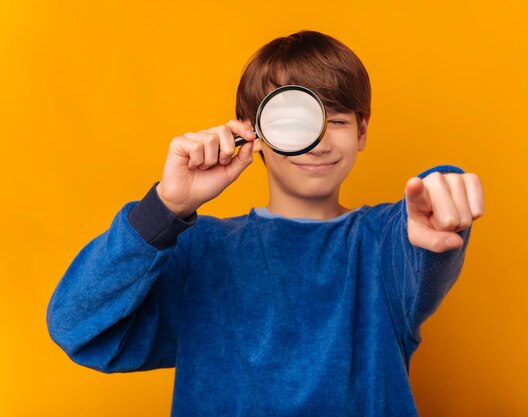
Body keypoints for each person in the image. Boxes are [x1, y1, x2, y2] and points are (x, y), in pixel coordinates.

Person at [47, 30, 484, 416]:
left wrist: (439, 191)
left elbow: (417, 234)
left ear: (362, 131)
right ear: (252, 132)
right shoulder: (202, 251)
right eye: (295, 123)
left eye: (337, 120)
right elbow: (76, 327)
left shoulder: (383, 243)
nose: (318, 143)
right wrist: (165, 206)